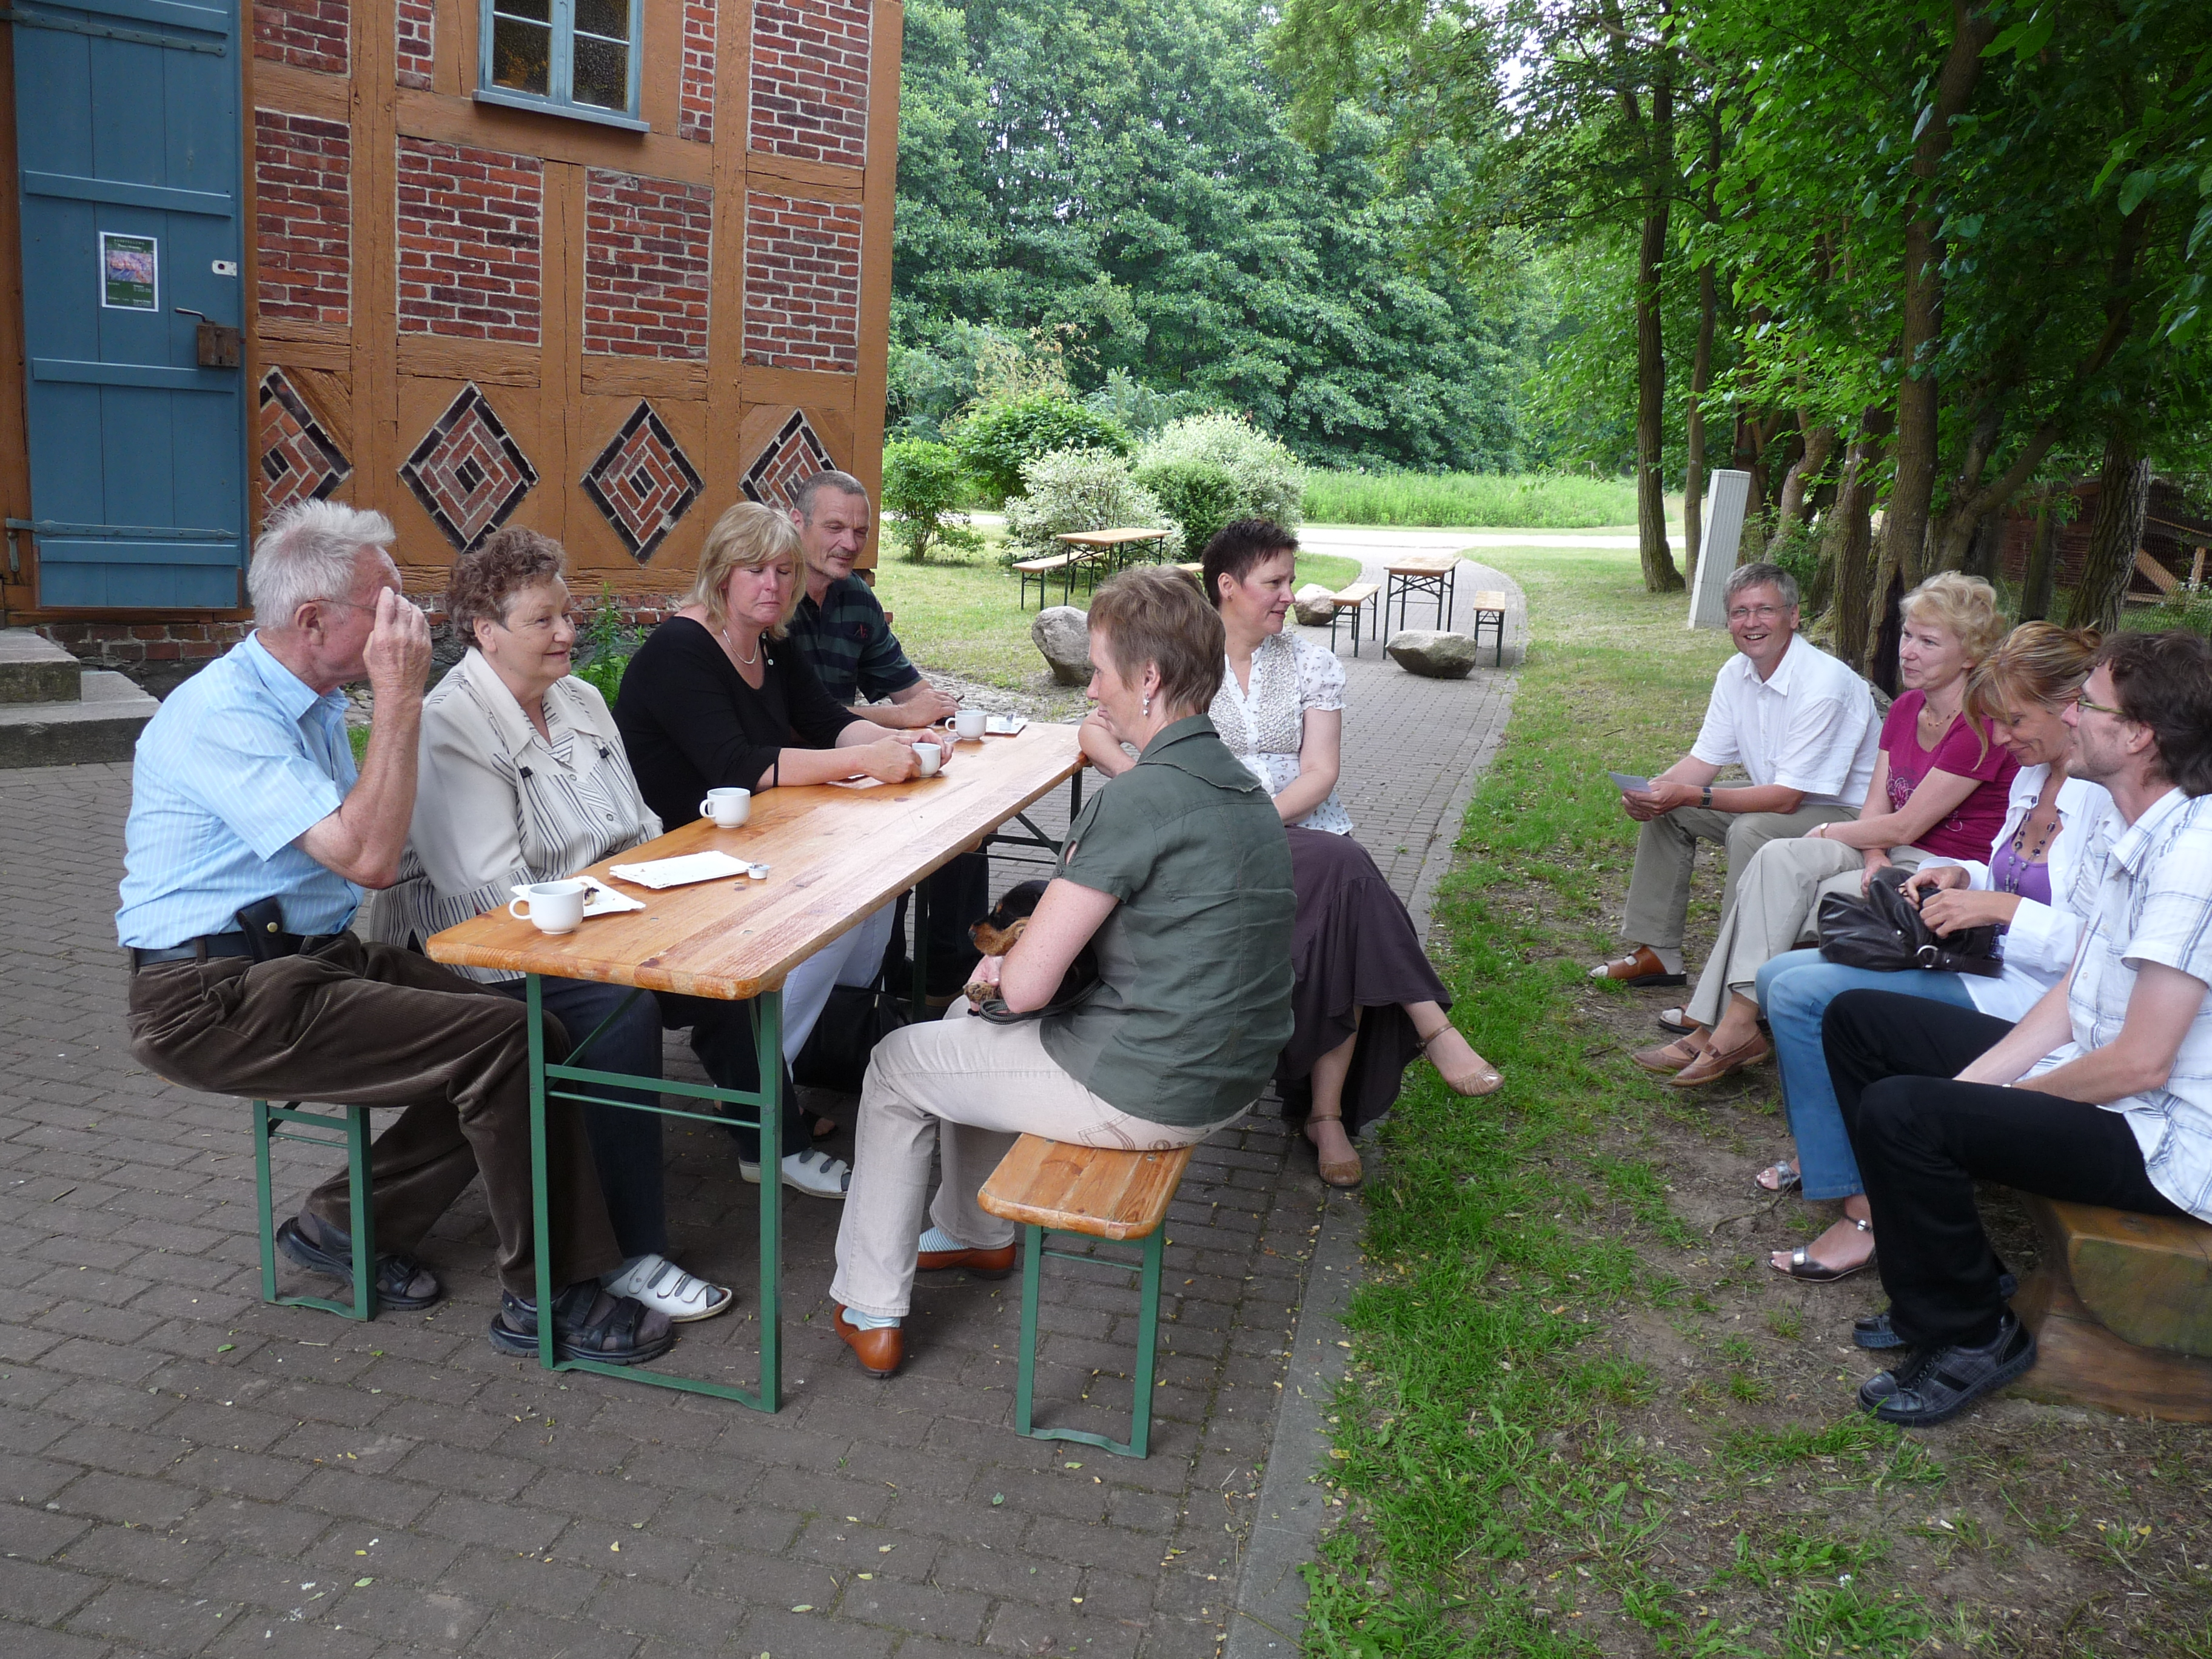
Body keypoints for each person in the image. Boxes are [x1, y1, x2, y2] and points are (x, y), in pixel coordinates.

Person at [116, 501, 674, 1364]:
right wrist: (402, 694)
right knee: (506, 1043)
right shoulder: (224, 716)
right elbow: (370, 858)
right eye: (382, 606)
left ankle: (342, 1227)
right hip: (211, 996)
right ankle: (551, 1297)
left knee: (534, 1028)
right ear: (313, 622)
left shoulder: (312, 701)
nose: (403, 622)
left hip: (313, 960)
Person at [827, 566, 1295, 1379]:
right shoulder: (1240, 787)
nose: (1096, 691)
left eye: (1104, 672)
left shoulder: (1137, 798)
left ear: (1148, 679)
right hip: (1230, 1072)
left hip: (1151, 1085)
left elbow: (1027, 989)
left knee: (897, 1065)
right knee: (960, 1036)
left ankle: (871, 1304)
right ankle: (975, 1235)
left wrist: (989, 969)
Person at [1822, 631, 2212, 1427]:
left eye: (2088, 703)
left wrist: (2012, 1099)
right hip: (2108, 1084)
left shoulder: (2193, 861)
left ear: (2138, 735)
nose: (2072, 714)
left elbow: (2140, 1064)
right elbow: (2075, 996)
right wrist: (1975, 1091)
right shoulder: (2143, 832)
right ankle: (1941, 1276)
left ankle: (1972, 1336)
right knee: (1860, 1022)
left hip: (2170, 1144)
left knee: (1906, 1111)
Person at [366, 526, 732, 1321]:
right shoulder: (452, 722)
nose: (568, 633)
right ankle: (635, 1252)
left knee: (737, 955)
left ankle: (773, 1146)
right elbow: (492, 894)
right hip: (473, 956)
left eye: (568, 615)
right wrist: (628, 919)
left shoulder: (582, 700)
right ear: (486, 632)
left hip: (593, 925)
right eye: (544, 621)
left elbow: (639, 828)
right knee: (619, 1012)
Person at [1081, 519, 1498, 1191]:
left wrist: (1251, 822)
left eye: (1289, 581)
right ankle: (1415, 1036)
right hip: (1210, 845)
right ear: (1227, 586)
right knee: (1350, 874)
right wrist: (1177, 806)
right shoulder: (1181, 659)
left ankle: (1331, 1112)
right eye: (1274, 582)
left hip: (1297, 826)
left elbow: (1320, 773)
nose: (1289, 595)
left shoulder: (1311, 662)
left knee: (1343, 884)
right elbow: (1114, 752)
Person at [1746, 623, 2109, 1281]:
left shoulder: (2109, 798)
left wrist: (2003, 910)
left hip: (2042, 1002)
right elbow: (2010, 871)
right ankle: (1840, 1154)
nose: (2000, 739)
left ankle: (1865, 1207)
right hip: (1994, 967)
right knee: (1778, 977)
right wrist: (1963, 876)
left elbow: (2109, 953)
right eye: (1995, 722)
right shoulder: (2035, 778)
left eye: (2014, 720)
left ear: (2072, 708)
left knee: (1803, 997)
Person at [614, 501, 928, 1198]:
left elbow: (825, 723)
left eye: (785, 572)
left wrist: (885, 747)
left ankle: (771, 1071)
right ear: (721, 575)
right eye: (755, 571)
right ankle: (756, 1094)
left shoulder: (773, 644)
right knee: (826, 916)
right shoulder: (680, 650)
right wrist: (864, 764)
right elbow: (739, 762)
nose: (773, 586)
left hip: (750, 838)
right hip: (673, 855)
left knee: (871, 899)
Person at [1641, 572, 2017, 1087]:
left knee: (1802, 879)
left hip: (1944, 869)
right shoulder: (1907, 708)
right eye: (1908, 635)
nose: (1909, 652)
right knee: (1775, 858)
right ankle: (1732, 1024)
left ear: (1970, 654)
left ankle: (1726, 1027)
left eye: (1929, 642)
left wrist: (1830, 836)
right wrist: (1873, 857)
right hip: (1887, 847)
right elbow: (1877, 807)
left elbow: (1911, 822)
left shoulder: (1980, 723)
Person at [1590, 561, 1880, 989]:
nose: (1751, 623)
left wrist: (1689, 794)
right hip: (1789, 799)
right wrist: (1653, 791)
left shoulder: (1824, 683)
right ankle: (1657, 952)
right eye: (1739, 612)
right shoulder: (1735, 674)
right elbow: (1703, 761)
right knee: (1671, 811)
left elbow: (1785, 800)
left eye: (1765, 610)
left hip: (1851, 815)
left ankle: (1731, 981)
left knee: (1751, 829)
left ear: (1794, 616)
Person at [782, 469, 986, 1002]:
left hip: (855, 768)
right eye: (833, 528)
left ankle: (941, 985)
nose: (849, 543)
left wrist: (934, 712)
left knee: (963, 824)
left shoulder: (855, 598)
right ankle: (875, 983)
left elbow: (911, 692)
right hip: (791, 773)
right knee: (900, 844)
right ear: (795, 522)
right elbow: (795, 715)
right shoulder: (771, 599)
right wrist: (899, 721)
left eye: (860, 532)